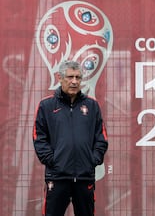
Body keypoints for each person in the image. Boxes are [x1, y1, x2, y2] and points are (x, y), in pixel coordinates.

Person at [33, 60, 108, 216]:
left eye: (78, 77)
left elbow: (101, 137)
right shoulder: (46, 106)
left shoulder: (92, 106)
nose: (74, 81)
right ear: (60, 78)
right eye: (70, 77)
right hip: (57, 177)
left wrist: (92, 160)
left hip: (84, 177)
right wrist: (53, 161)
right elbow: (39, 137)